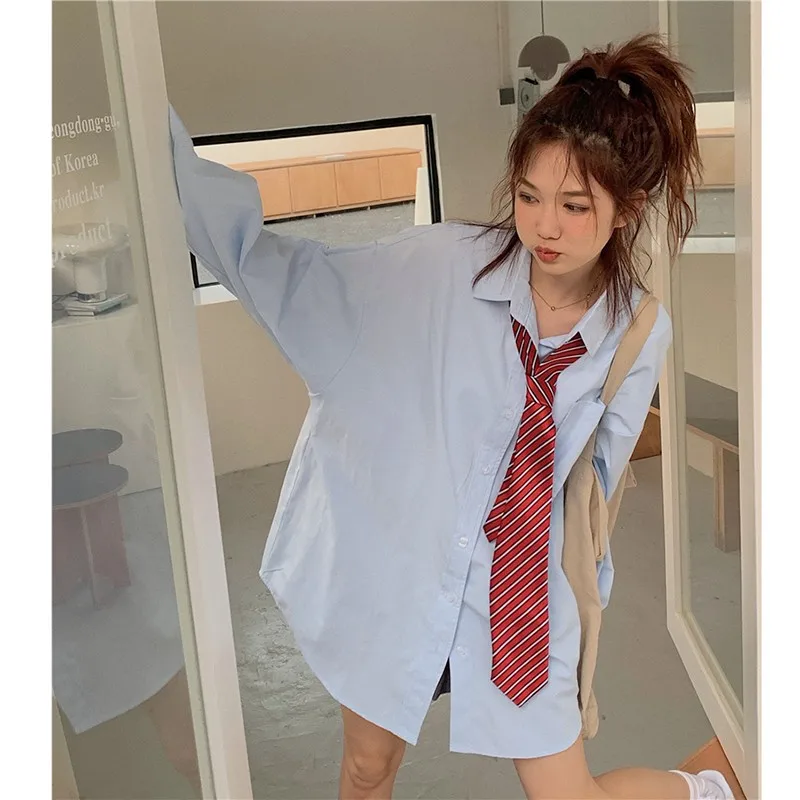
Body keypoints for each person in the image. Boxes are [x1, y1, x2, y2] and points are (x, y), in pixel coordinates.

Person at [169, 32, 733, 800]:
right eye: (529, 197)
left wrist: (579, 600)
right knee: (369, 769)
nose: (545, 227)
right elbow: (282, 276)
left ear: (626, 208)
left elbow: (591, 484)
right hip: (402, 568)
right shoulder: (439, 267)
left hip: (518, 590)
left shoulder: (637, 329)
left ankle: (709, 788)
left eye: (575, 207)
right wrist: (153, 140)